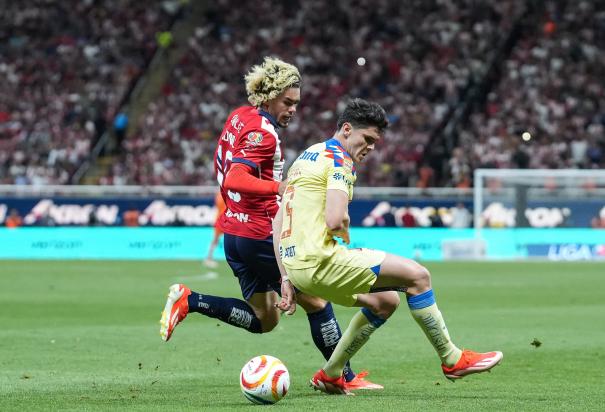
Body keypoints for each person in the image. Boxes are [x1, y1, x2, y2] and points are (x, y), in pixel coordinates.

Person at [159, 57, 379, 390]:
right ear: (269, 96)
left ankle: (191, 300)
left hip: (235, 232)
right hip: (261, 232)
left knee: (264, 319)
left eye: (296, 104)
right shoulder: (264, 134)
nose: (293, 110)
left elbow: (225, 169)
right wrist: (280, 187)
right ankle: (342, 378)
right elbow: (235, 176)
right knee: (318, 303)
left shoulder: (239, 116)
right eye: (288, 102)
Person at [273, 99, 503, 394]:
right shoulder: (339, 160)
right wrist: (343, 228)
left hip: (297, 267)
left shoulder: (306, 156)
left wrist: (286, 277)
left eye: (374, 142)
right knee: (418, 276)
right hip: (321, 260)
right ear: (346, 129)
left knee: (386, 301)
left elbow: (277, 220)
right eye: (366, 139)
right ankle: (452, 359)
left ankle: (331, 374)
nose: (369, 147)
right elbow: (334, 219)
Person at [203, 190, 226, 268]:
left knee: (215, 240)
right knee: (216, 240)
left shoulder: (219, 194)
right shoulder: (223, 194)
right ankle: (208, 257)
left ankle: (208, 257)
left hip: (221, 219)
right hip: (223, 219)